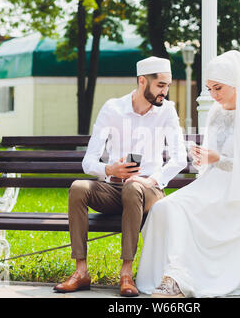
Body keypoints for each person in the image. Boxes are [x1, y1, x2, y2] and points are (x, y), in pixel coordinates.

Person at [136, 50, 240, 298]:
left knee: (179, 208)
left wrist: (217, 158)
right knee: (163, 208)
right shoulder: (216, 113)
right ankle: (165, 275)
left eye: (218, 88)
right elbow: (210, 161)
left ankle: (177, 279)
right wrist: (203, 158)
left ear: (235, 84)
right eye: (209, 89)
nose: (213, 95)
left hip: (238, 192)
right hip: (211, 184)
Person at [53, 56, 188, 297]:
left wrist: (150, 180)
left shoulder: (167, 111)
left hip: (148, 189)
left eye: (167, 86)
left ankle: (126, 274)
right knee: (78, 188)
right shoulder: (113, 109)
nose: (164, 93)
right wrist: (109, 170)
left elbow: (179, 158)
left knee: (133, 188)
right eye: (160, 86)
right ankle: (81, 271)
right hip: (114, 188)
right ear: (142, 81)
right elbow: (88, 162)